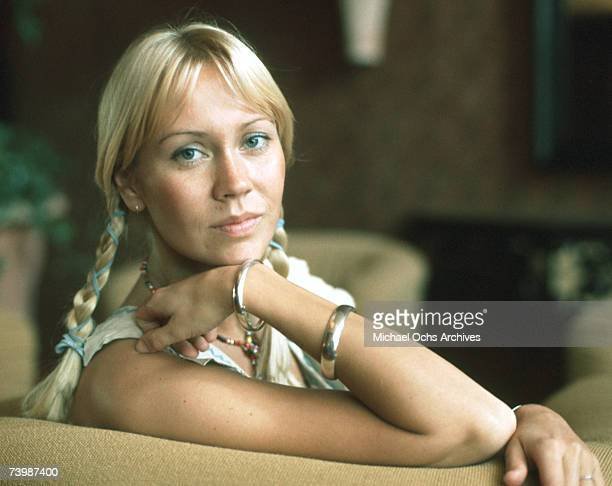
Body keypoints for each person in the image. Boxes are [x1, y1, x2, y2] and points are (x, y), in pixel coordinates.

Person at [21, 20, 603, 485]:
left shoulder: (303, 293)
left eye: (254, 140)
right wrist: (250, 285)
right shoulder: (132, 377)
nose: (236, 182)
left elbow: (470, 406)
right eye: (189, 153)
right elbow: (471, 424)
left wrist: (534, 417)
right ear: (130, 184)